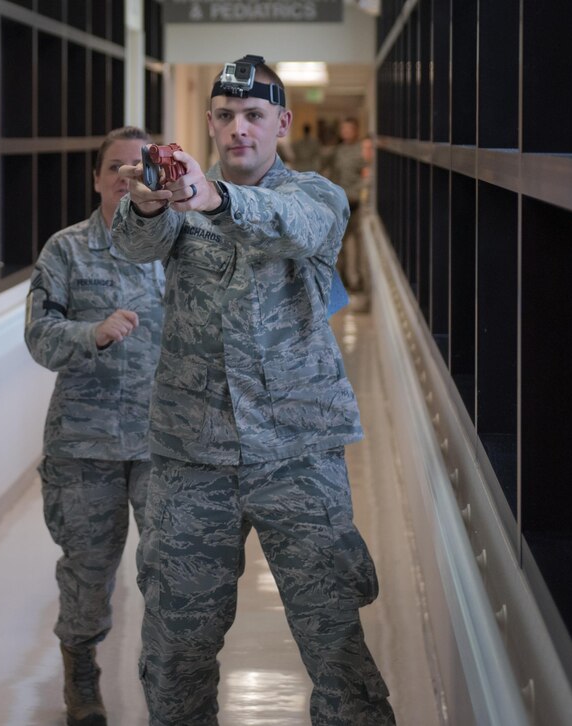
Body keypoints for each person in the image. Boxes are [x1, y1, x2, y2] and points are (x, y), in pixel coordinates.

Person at [111, 56, 396, 725]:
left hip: (298, 453)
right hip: (192, 456)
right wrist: (152, 200)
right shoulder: (182, 202)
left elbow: (295, 228)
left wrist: (219, 200)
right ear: (209, 123)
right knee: (176, 648)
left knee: (336, 648)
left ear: (282, 123)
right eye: (225, 116)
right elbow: (133, 241)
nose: (239, 129)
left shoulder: (316, 196)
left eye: (254, 115)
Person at [25, 126, 165, 726]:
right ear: (97, 178)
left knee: (170, 569)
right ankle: (81, 679)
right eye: (115, 167)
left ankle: (168, 685)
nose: (126, 177)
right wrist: (93, 332)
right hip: (86, 443)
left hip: (166, 441)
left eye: (139, 167)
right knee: (87, 569)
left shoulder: (178, 244)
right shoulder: (66, 250)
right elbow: (38, 336)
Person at [322, 117, 369, 292]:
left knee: (353, 246)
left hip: (355, 204)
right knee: (337, 244)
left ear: (356, 130)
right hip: (339, 205)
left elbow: (365, 177)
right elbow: (331, 173)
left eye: (349, 129)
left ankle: (355, 281)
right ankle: (341, 281)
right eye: (344, 129)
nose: (346, 132)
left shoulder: (361, 151)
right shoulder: (338, 151)